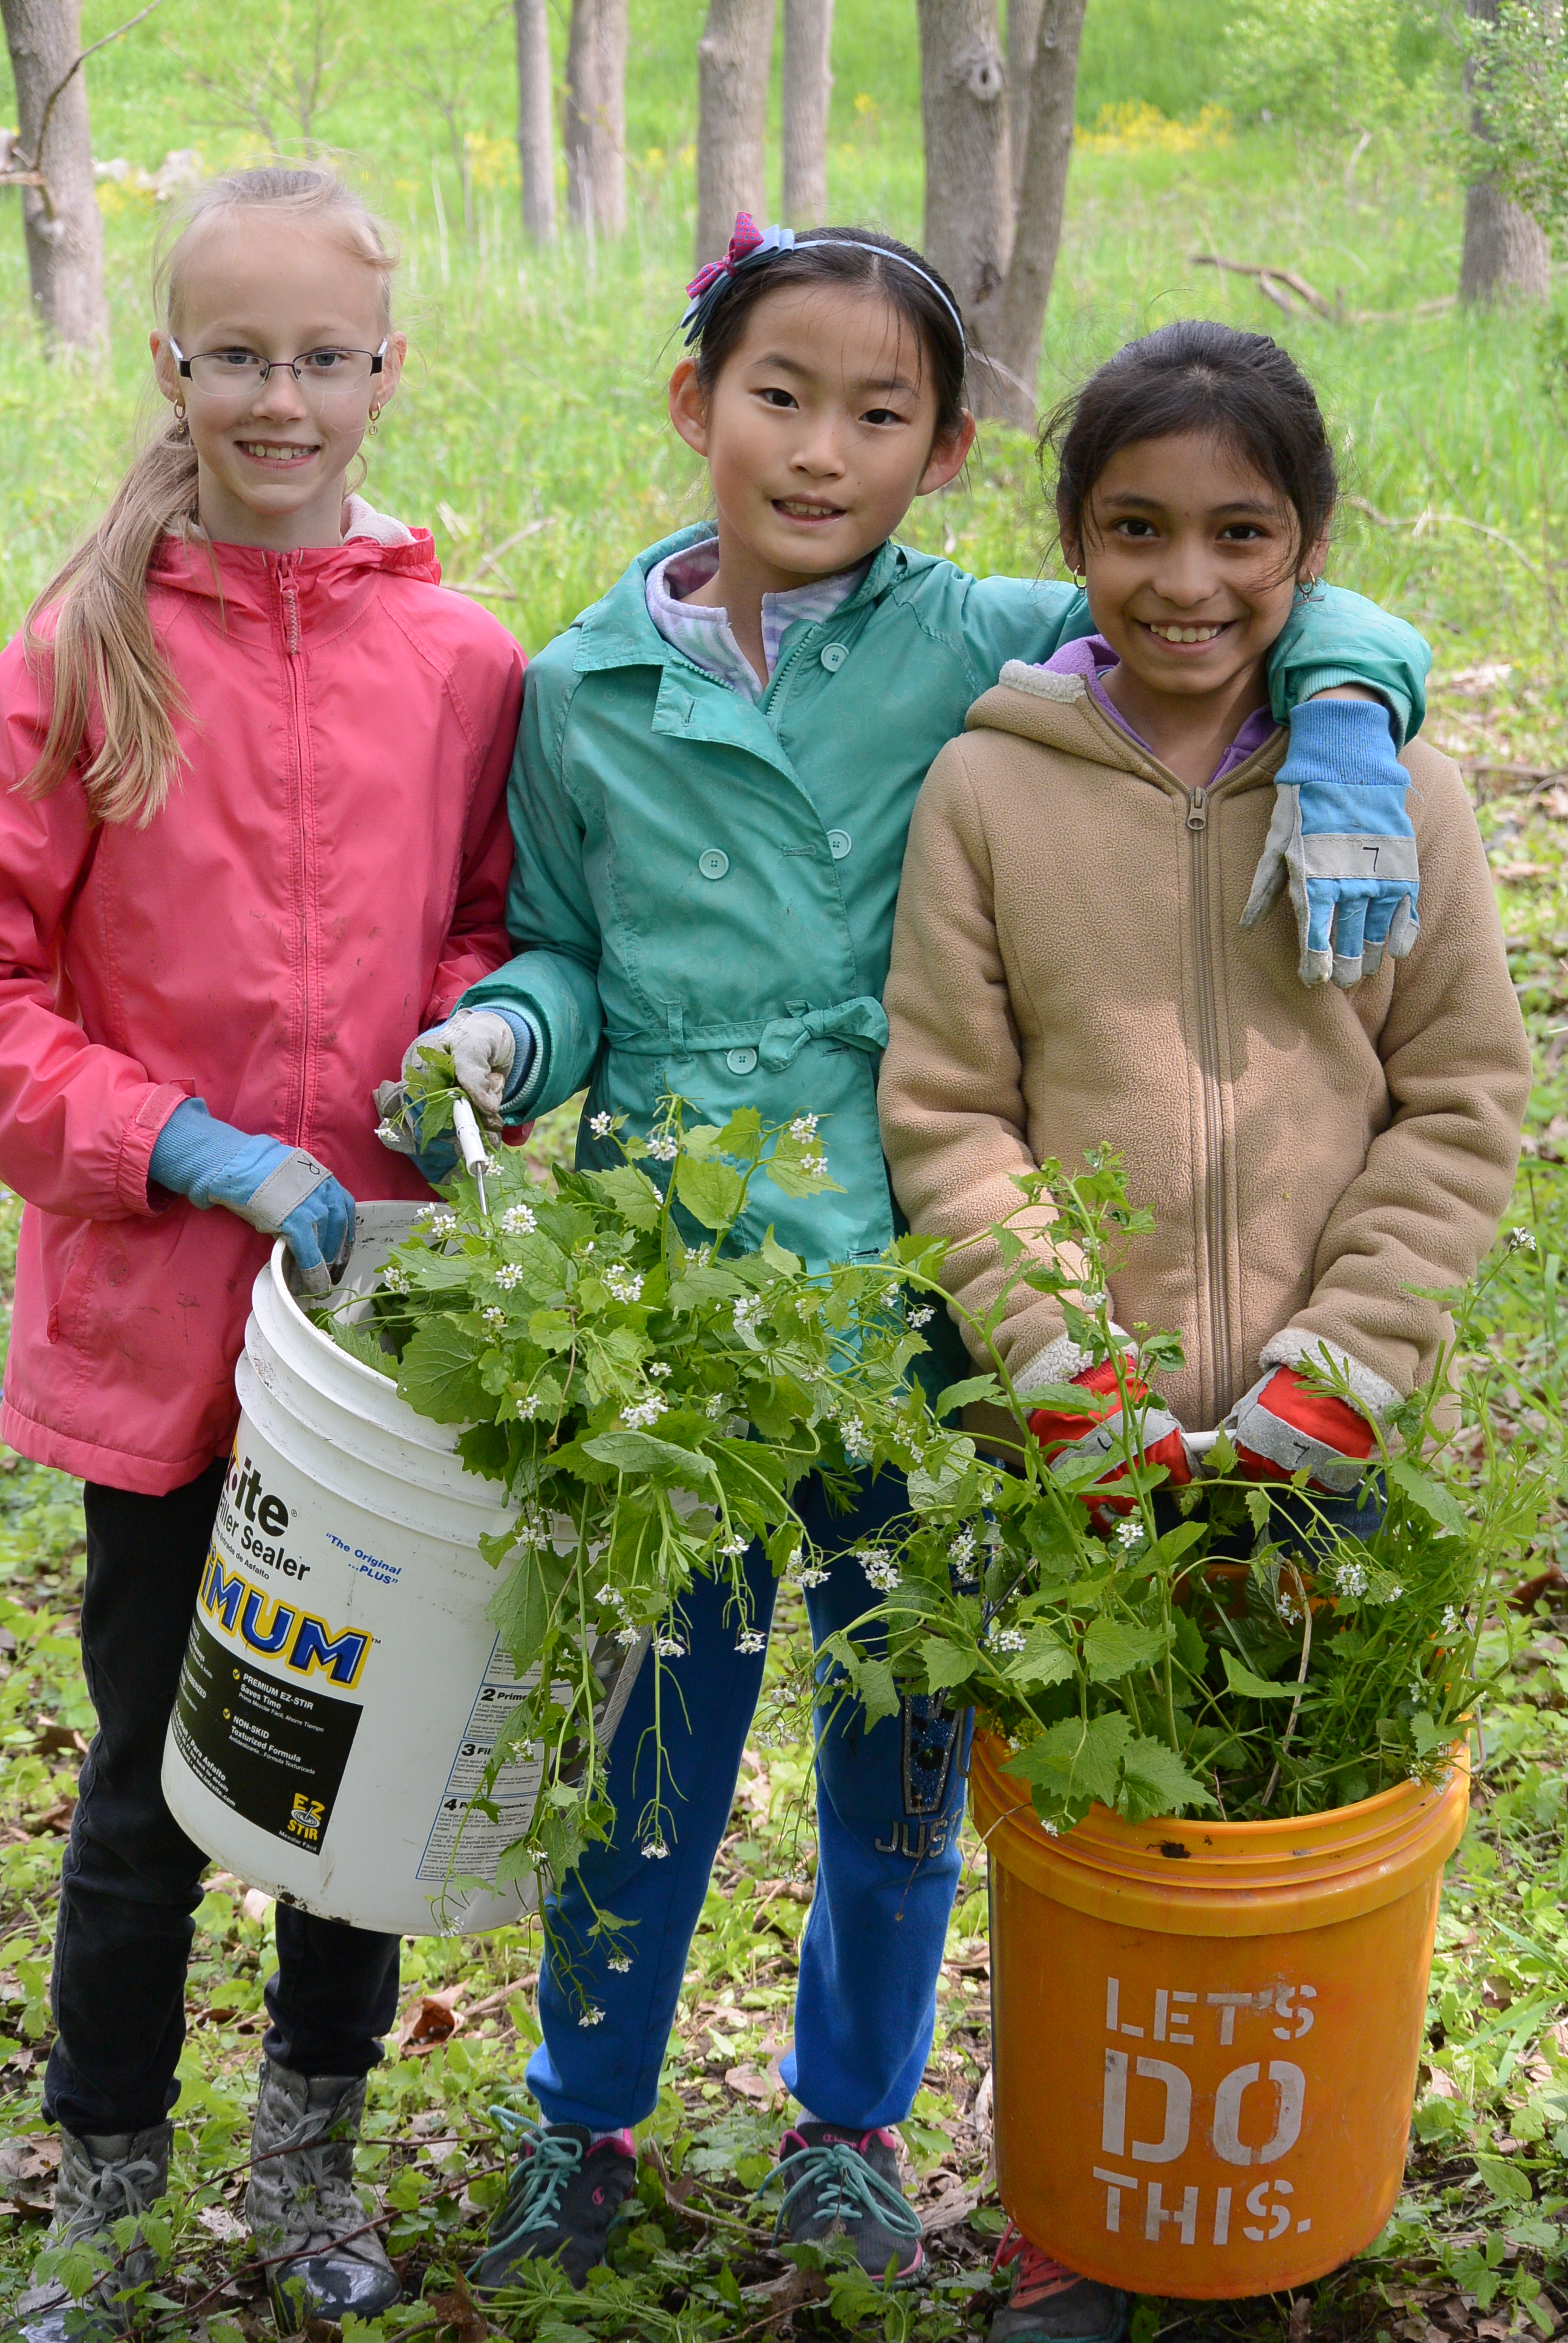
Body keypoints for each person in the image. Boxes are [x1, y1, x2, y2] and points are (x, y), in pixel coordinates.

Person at [408, 220, 1436, 2296]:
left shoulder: (979, 633)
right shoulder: (581, 684)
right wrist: (514, 1032)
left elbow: (1251, 601)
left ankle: (852, 2127)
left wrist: (1340, 720)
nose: (822, 449)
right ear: (697, 405)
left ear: (949, 451)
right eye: (781, 396)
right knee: (654, 1745)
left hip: (926, 1312)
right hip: (681, 1315)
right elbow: (572, 949)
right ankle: (584, 2116)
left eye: (883, 414)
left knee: (901, 1751)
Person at [877, 318, 1532, 2341]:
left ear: (1310, 547)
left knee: (1295, 1814)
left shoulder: (1393, 785)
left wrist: (1342, 1375)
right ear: (1070, 542)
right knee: (1094, 1828)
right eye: (1134, 528)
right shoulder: (990, 787)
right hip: (1084, 1459)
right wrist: (1065, 1386)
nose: (1186, 580)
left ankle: (1280, 2186)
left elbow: (1463, 1100)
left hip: (1336, 1449)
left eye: (1241, 532)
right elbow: (950, 1113)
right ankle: (1085, 2213)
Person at [0, 167, 524, 2341]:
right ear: (170, 368)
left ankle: (313, 2155)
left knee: (357, 1787)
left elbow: (500, 922)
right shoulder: (81, 648)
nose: (280, 398)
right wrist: (177, 1141)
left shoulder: (466, 660)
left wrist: (482, 1030)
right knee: (148, 1785)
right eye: (238, 355)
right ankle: (103, 2187)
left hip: (379, 1360)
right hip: (160, 1339)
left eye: (323, 358)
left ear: (385, 374)